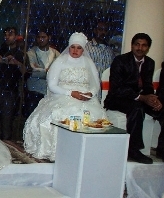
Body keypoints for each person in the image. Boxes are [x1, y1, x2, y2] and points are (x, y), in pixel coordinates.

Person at [23, 32, 107, 161]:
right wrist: (71, 93)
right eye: (73, 47)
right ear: (69, 47)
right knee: (57, 115)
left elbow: (95, 84)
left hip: (85, 98)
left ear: (83, 49)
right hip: (62, 95)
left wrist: (90, 93)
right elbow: (52, 85)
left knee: (93, 118)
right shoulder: (60, 61)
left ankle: (85, 153)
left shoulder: (88, 62)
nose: (75, 50)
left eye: (79, 48)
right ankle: (58, 151)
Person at [104, 33, 164, 164]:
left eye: (144, 45)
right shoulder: (120, 60)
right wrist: (141, 97)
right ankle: (133, 150)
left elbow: (148, 85)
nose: (140, 48)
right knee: (137, 108)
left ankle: (162, 148)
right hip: (117, 98)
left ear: (148, 48)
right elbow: (117, 88)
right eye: (137, 44)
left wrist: (153, 99)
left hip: (140, 98)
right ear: (132, 45)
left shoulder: (149, 62)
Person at [23, 27, 61, 118]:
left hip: (50, 92)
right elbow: (32, 71)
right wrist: (47, 71)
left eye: (43, 37)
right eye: (38, 37)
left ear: (49, 37)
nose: (41, 39)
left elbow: (59, 71)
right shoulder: (31, 53)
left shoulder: (56, 54)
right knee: (32, 117)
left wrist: (40, 70)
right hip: (34, 91)